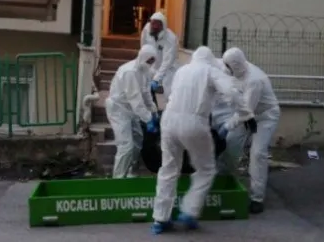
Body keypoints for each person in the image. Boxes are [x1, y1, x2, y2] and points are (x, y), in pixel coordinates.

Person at [151, 46, 244, 235]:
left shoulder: (182, 70)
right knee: (206, 169)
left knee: (168, 170)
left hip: (168, 121)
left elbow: (170, 94)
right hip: (194, 123)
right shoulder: (210, 71)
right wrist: (241, 109)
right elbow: (231, 91)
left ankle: (160, 219)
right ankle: (189, 211)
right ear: (210, 59)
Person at [217, 47, 281, 214]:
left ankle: (257, 198)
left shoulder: (254, 80)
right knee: (229, 144)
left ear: (235, 65)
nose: (226, 69)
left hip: (265, 117)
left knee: (257, 154)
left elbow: (245, 111)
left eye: (229, 66)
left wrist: (226, 126)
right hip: (248, 115)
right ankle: (224, 179)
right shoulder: (236, 70)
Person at [105, 44, 161, 178]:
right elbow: (135, 99)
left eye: (152, 61)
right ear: (143, 57)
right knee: (126, 145)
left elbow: (146, 93)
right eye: (149, 60)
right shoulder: (129, 72)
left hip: (132, 109)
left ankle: (131, 171)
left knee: (138, 140)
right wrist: (148, 119)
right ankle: (118, 178)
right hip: (119, 109)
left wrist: (153, 110)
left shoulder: (145, 71)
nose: (150, 63)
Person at [140, 12, 178, 99]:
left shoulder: (170, 38)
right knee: (145, 92)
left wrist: (156, 78)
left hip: (167, 70)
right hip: (152, 67)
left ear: (162, 26)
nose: (154, 26)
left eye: (157, 24)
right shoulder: (146, 30)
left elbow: (167, 61)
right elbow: (144, 49)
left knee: (168, 94)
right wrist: (146, 65)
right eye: (153, 23)